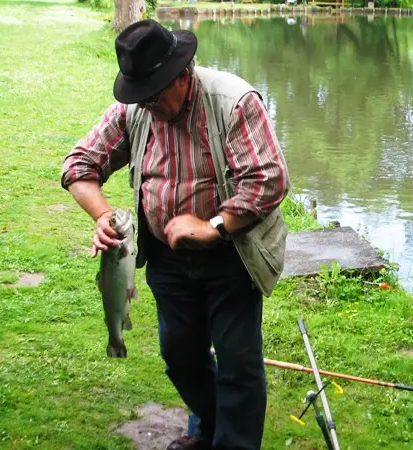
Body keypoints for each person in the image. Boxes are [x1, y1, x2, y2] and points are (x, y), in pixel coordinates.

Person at [60, 19, 290, 450]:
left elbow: (269, 180)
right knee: (181, 359)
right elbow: (77, 165)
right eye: (140, 98)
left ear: (182, 76)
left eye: (154, 96)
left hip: (232, 255)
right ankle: (212, 427)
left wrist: (211, 226)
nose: (147, 107)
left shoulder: (233, 101)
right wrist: (104, 216)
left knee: (238, 365)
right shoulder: (137, 110)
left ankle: (229, 442)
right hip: (167, 258)